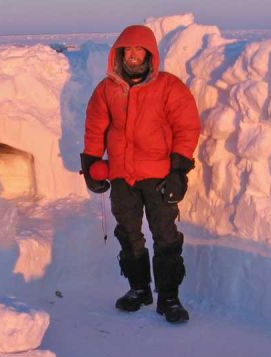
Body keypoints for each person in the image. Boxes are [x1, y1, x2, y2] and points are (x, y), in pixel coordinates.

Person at [80, 24, 201, 324]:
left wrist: (179, 171)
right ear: (120, 53)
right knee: (129, 233)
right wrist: (91, 163)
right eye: (128, 50)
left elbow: (187, 127)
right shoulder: (106, 89)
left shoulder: (169, 87)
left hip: (159, 174)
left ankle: (169, 297)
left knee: (164, 234)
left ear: (150, 54)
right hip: (122, 174)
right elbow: (96, 128)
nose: (133, 56)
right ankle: (139, 290)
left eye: (139, 50)